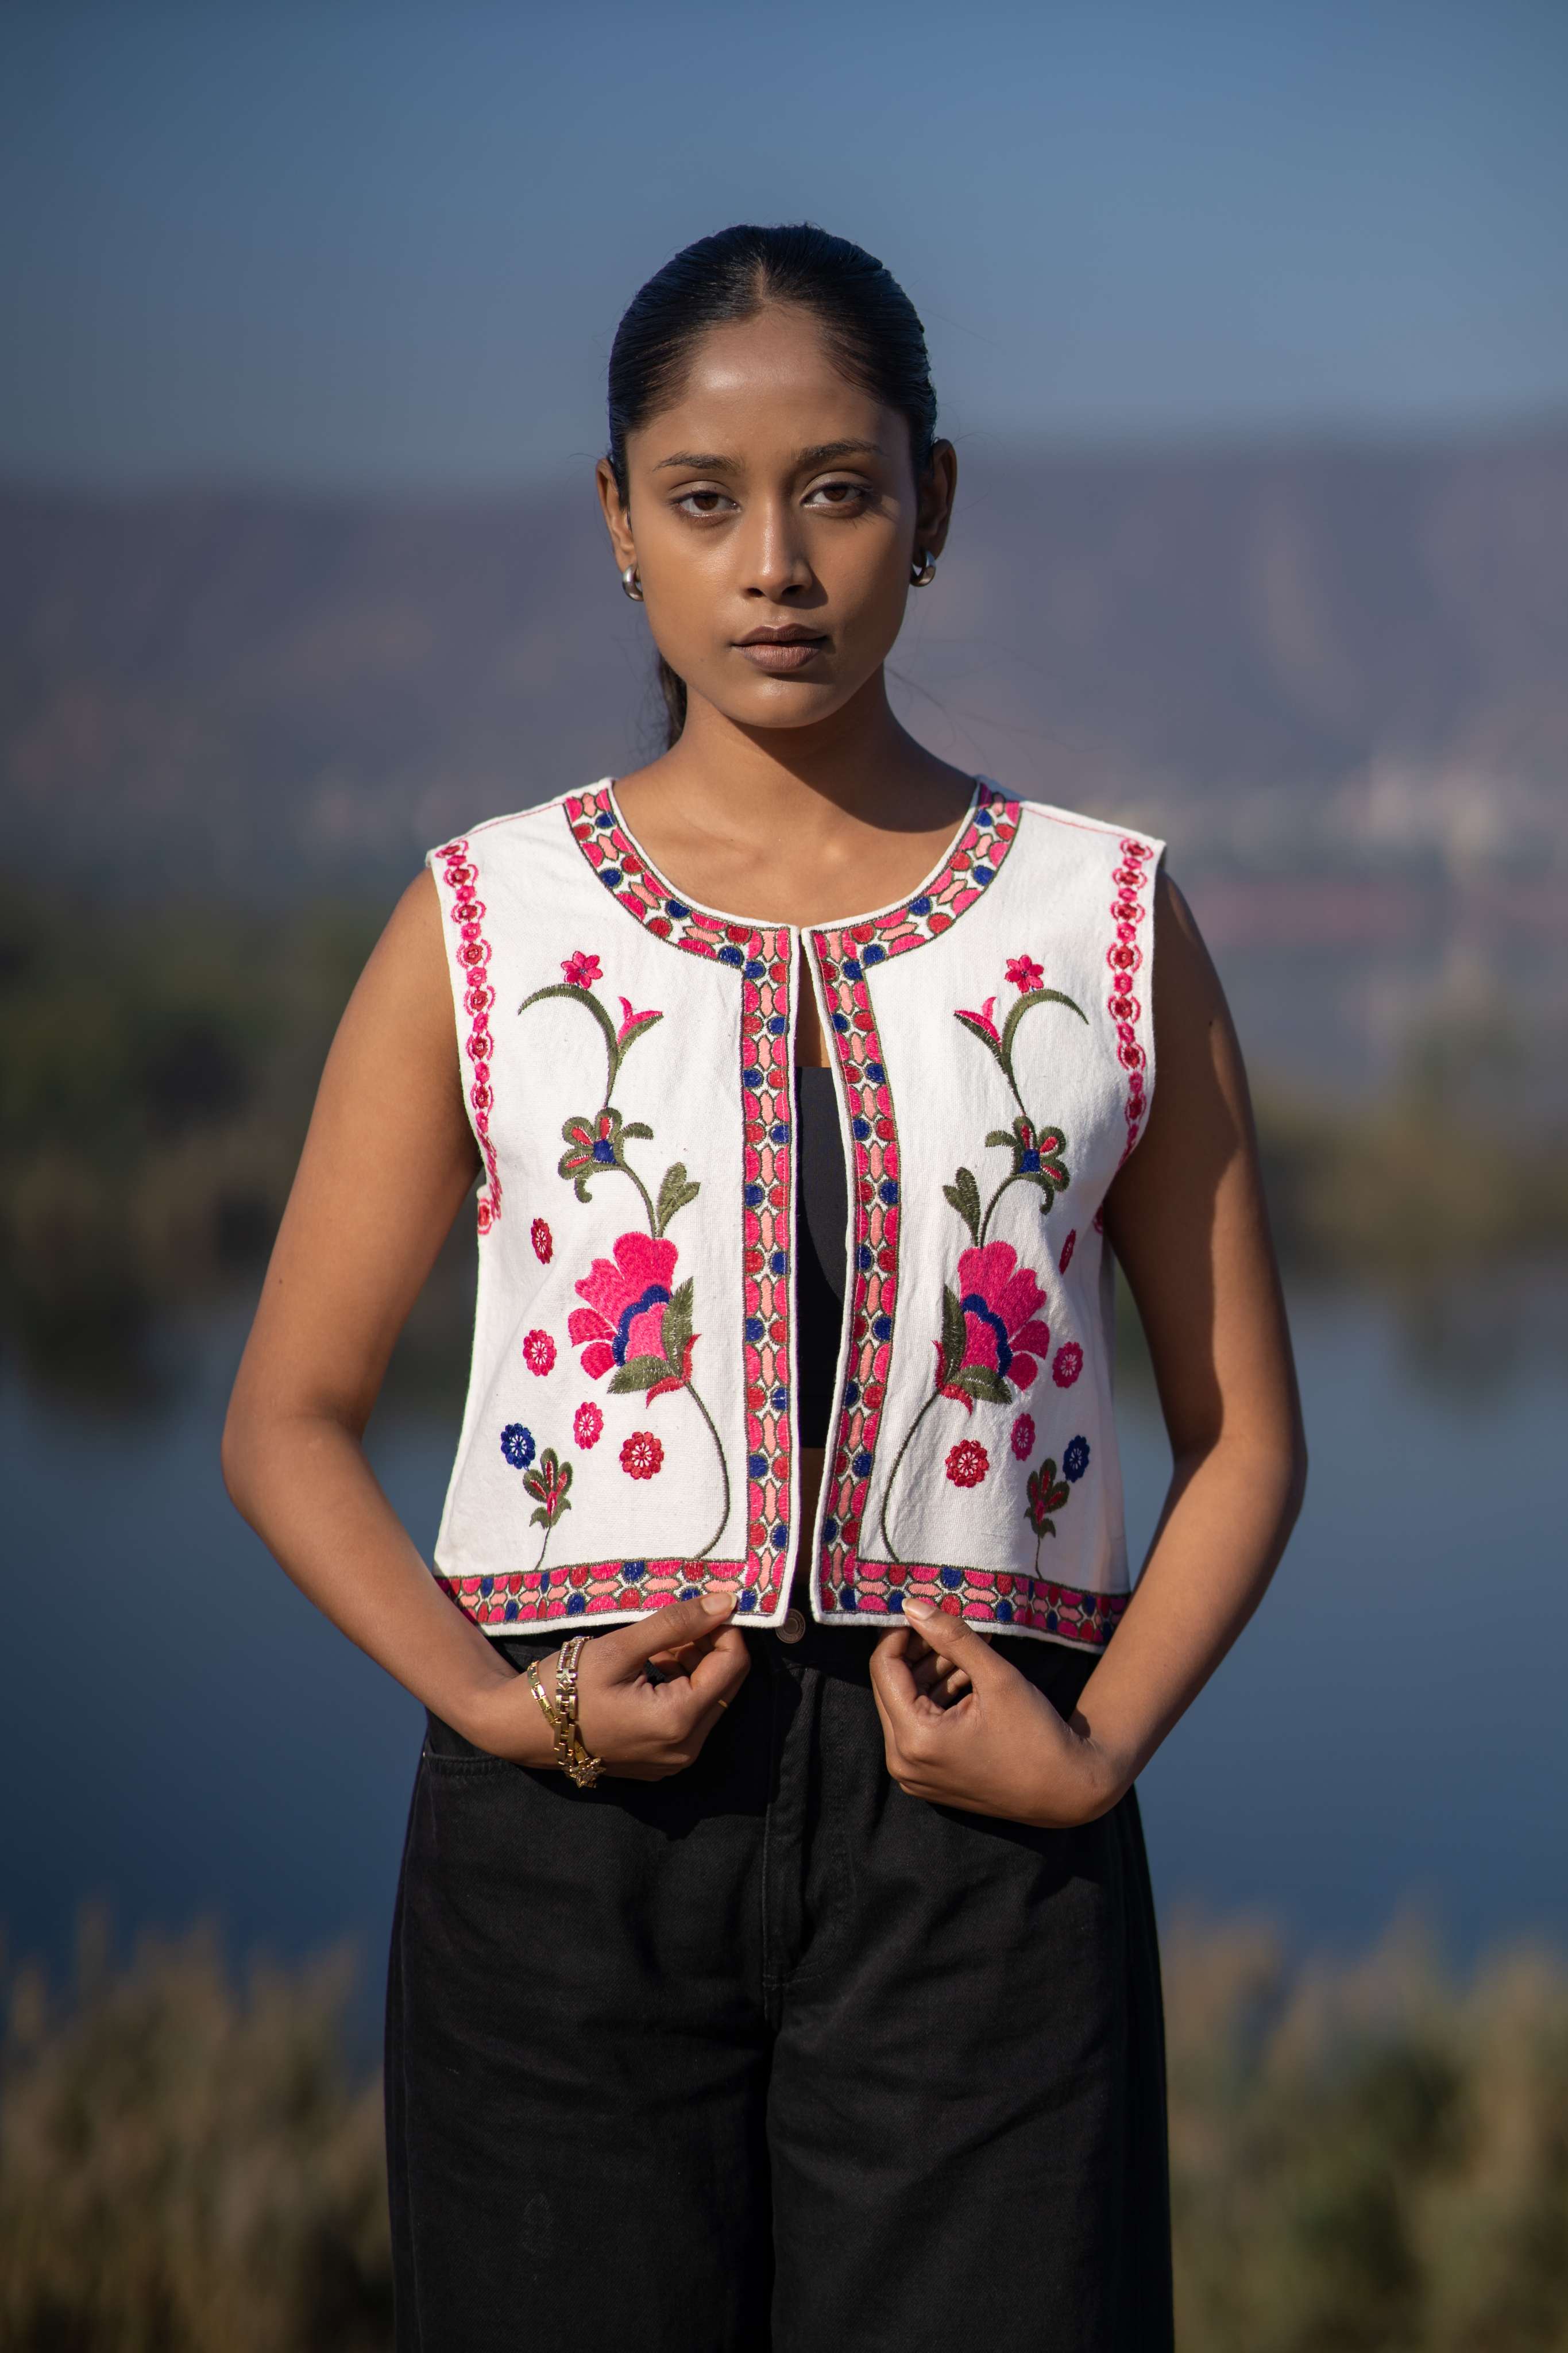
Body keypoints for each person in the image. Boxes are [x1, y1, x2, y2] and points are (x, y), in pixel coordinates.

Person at [222, 223, 1307, 2352]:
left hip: (977, 1843)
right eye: (706, 501)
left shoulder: (1103, 922)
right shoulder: (482, 919)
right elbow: (286, 1416)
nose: (778, 565)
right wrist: (494, 1705)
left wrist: (1092, 1767)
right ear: (616, 523)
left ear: (937, 503)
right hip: (567, 1841)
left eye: (839, 488)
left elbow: (1246, 1434)